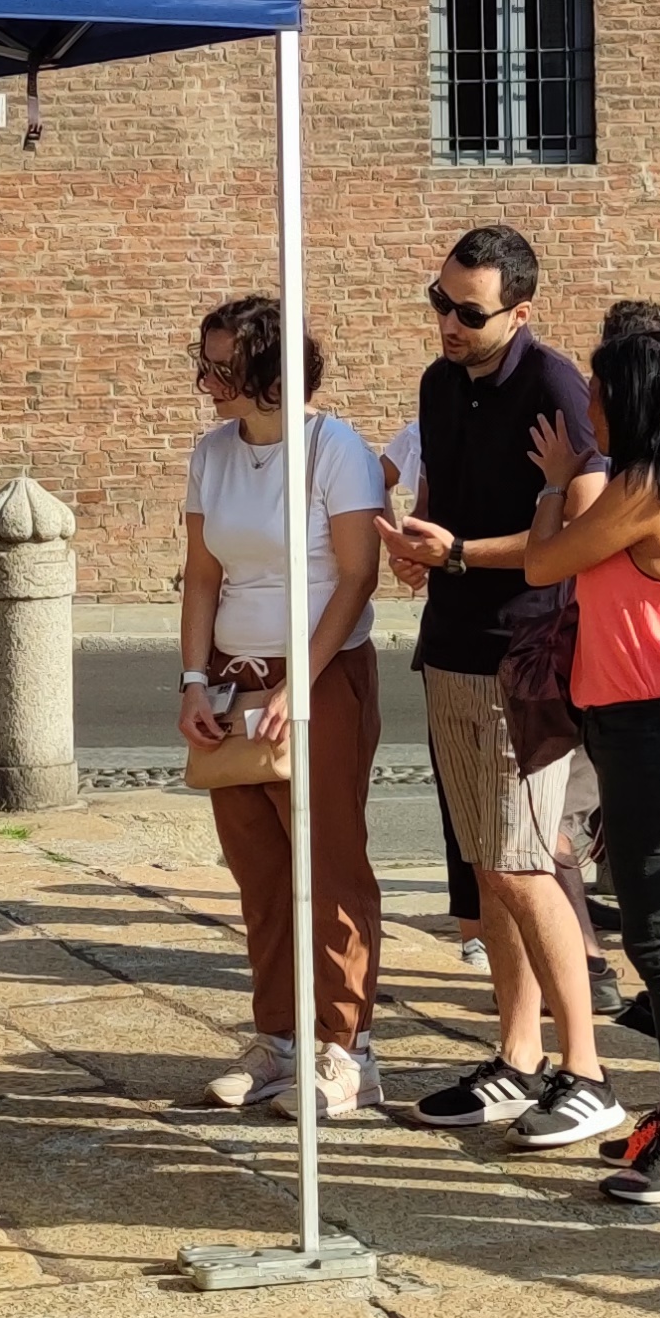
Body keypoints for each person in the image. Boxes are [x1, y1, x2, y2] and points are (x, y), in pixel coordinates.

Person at [403, 318, 660, 1201]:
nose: (585, 403)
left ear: (628, 399)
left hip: (656, 734)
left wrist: (554, 486)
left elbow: (549, 558)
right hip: (646, 730)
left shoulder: (648, 487)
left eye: (597, 389)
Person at [379, 227, 624, 1150]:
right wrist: (420, 544)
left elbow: (586, 529)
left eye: (466, 312)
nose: (446, 322)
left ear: (519, 313)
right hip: (451, 642)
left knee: (525, 862)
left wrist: (466, 554)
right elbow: (443, 486)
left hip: (523, 653)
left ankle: (588, 1073)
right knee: (489, 864)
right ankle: (517, 1059)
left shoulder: (554, 386)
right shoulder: (441, 384)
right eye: (437, 301)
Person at [171, 294, 393, 1117]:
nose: (204, 379)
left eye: (220, 366)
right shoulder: (213, 453)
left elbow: (358, 574)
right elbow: (202, 574)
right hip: (233, 669)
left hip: (322, 671)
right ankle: (280, 1037)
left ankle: (349, 1048)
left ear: (266, 372)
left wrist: (299, 682)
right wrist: (195, 679)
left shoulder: (335, 450)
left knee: (328, 858)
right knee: (257, 865)